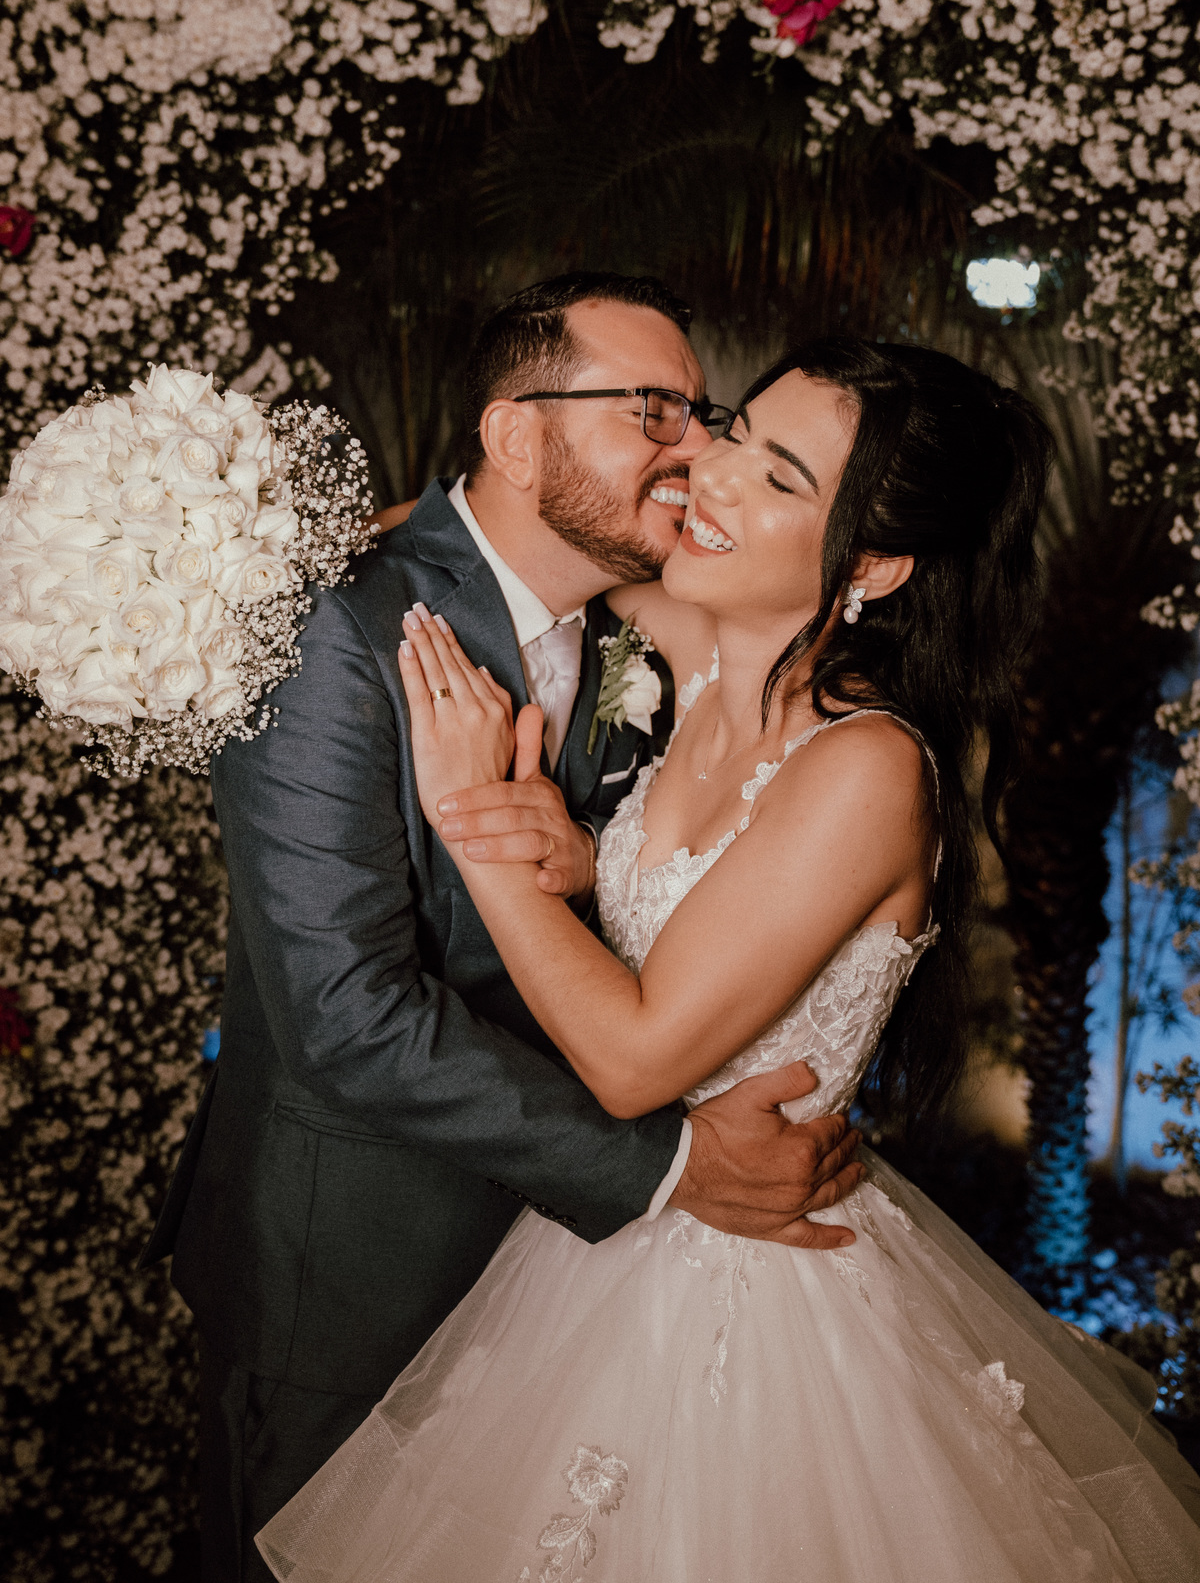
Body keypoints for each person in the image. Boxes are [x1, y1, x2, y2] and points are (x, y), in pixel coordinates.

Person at [257, 339, 1200, 1582]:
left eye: (780, 478)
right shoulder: (689, 653)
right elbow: (486, 545)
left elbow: (634, 1058)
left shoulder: (866, 769)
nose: (711, 474)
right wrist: (243, 542)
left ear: (874, 567)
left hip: (756, 1293)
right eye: (737, 434)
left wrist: (473, 819)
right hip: (604, 1240)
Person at [139, 275, 867, 1582]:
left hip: (567, 1300)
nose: (695, 451)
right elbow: (347, 1019)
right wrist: (670, 1166)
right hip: (354, 1274)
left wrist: (583, 866)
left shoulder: (649, 635)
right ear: (517, 437)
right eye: (653, 411)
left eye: (702, 416)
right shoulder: (331, 628)